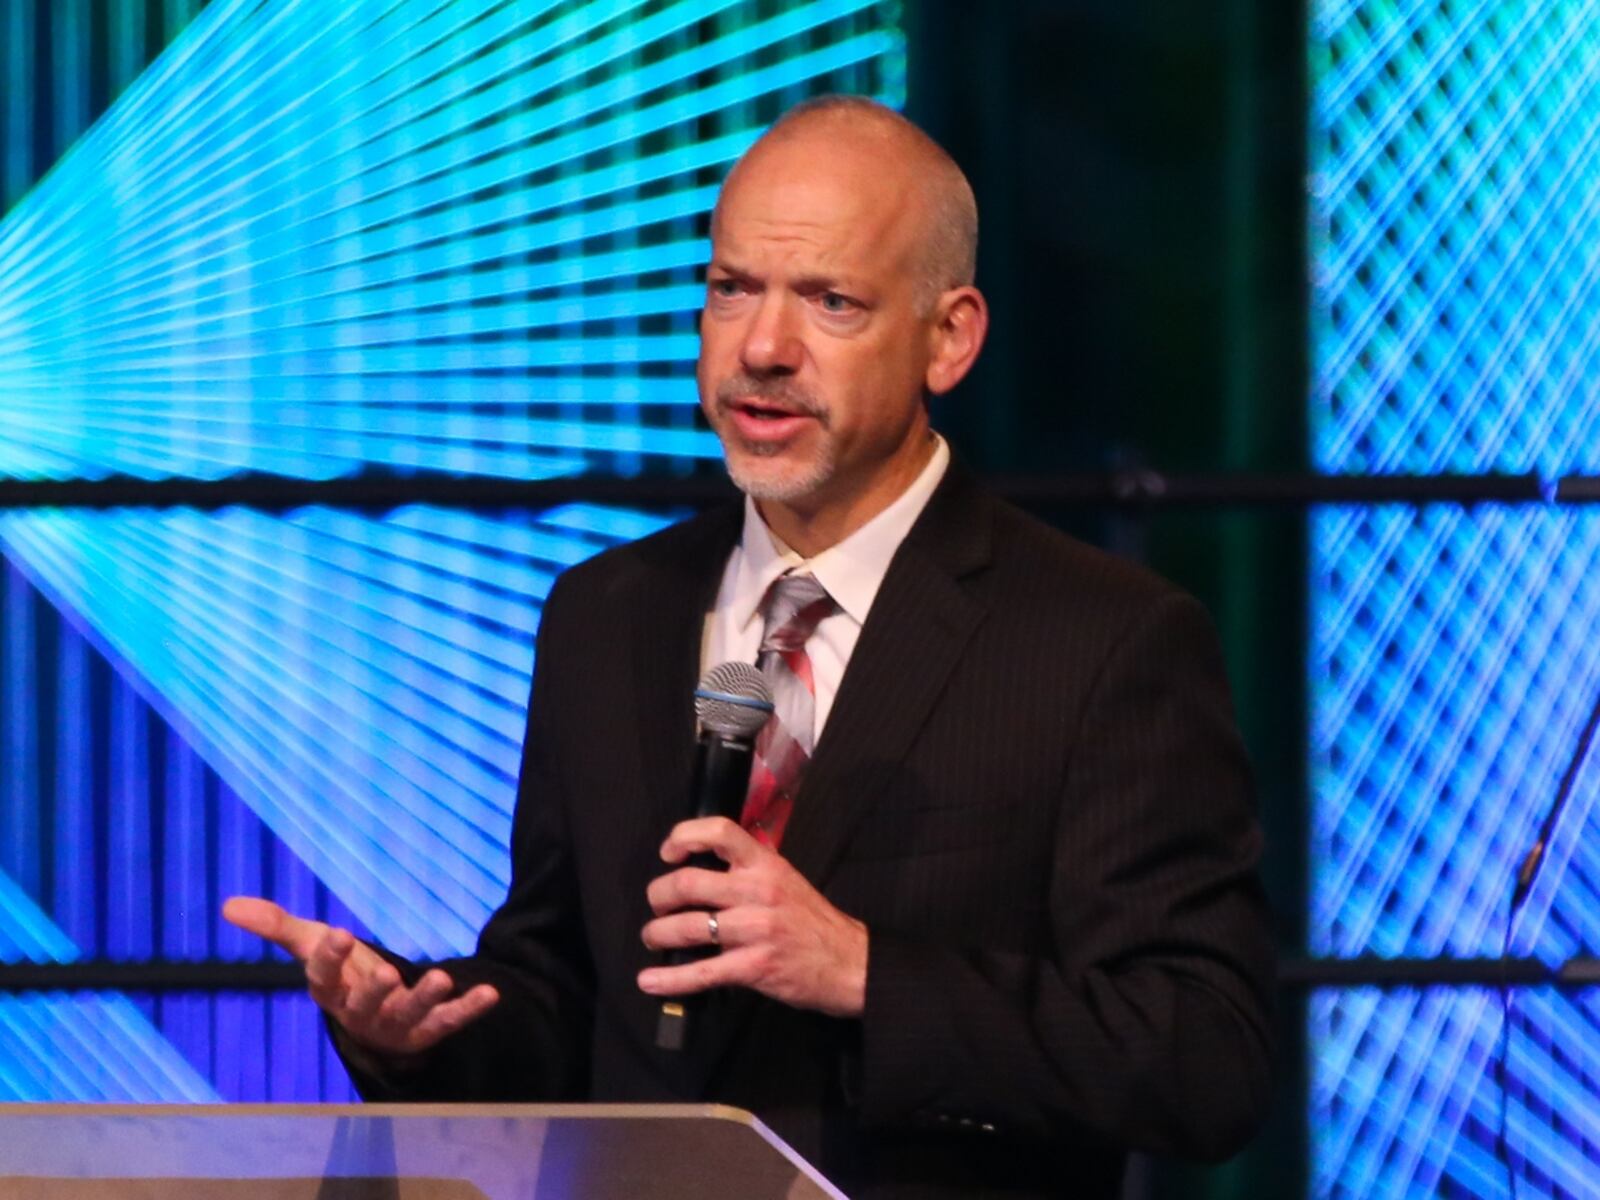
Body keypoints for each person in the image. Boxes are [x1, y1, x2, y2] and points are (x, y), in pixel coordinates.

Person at [225, 95, 1274, 1198]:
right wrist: (422, 1029)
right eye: (732, 289)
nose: (763, 349)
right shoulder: (606, 612)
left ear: (949, 338)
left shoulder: (1102, 642)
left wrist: (863, 973)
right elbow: (572, 999)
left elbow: (1206, 1056)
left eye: (830, 301)